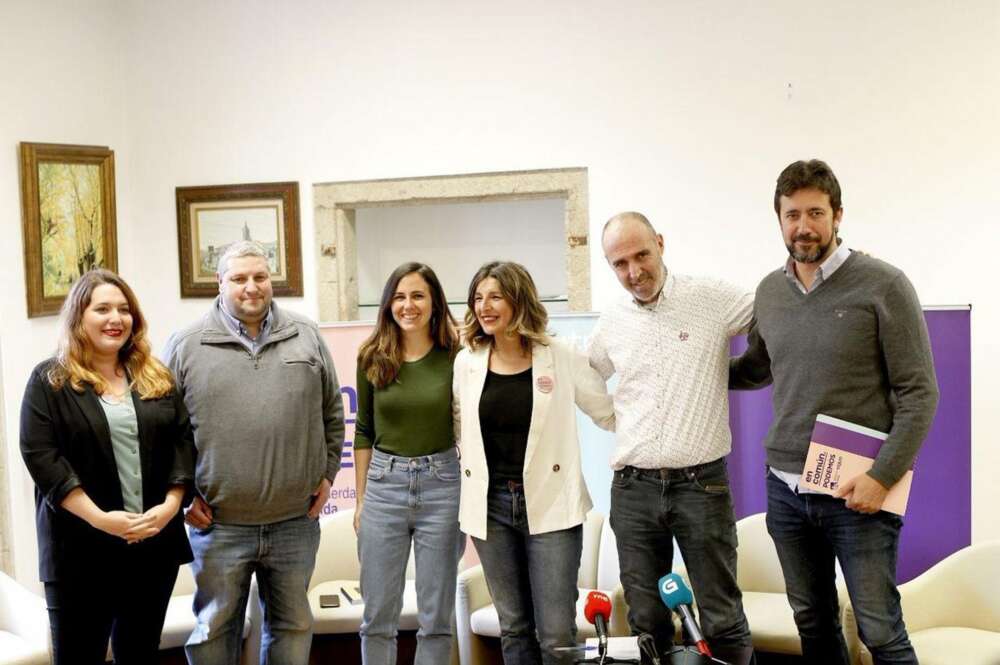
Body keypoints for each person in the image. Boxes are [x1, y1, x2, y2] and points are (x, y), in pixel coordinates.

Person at [730, 159, 939, 665]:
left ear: (838, 215)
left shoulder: (883, 284)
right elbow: (757, 368)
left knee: (880, 630)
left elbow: (920, 392)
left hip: (857, 492)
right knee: (814, 625)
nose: (804, 227)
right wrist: (688, 365)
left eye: (816, 213)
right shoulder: (769, 292)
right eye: (792, 214)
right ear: (778, 219)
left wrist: (882, 476)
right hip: (785, 488)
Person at [163, 240, 345, 665]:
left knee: (292, 628)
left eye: (260, 277)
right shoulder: (186, 345)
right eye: (239, 278)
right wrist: (183, 496)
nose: (251, 287)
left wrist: (329, 474)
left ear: (271, 280)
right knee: (214, 630)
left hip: (294, 524)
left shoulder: (306, 336)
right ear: (219, 282)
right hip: (219, 526)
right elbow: (162, 432)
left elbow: (332, 412)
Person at [588, 212, 756, 665]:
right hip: (632, 489)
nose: (634, 271)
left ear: (660, 243)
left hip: (702, 485)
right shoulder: (612, 321)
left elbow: (777, 312)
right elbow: (583, 374)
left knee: (721, 614)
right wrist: (612, 420)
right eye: (619, 263)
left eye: (641, 254)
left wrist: (735, 373)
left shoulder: (711, 297)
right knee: (645, 616)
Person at [20, 269, 194, 665]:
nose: (115, 319)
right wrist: (101, 519)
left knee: (140, 655)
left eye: (123, 309)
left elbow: (183, 443)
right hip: (78, 553)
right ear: (79, 317)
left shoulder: (155, 376)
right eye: (102, 309)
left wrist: (171, 505)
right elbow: (42, 457)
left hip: (152, 548)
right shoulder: (50, 381)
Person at [453, 260, 615, 665]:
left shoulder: (559, 355)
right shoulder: (466, 361)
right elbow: (459, 426)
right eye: (477, 297)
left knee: (557, 635)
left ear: (518, 299)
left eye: (495, 296)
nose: (484, 306)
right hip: (490, 509)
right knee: (514, 629)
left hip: (552, 505)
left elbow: (608, 413)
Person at [353, 262, 463, 664]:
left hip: (443, 486)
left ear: (434, 302)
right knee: (378, 616)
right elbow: (363, 430)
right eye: (399, 297)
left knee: (436, 617)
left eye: (417, 295)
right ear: (388, 304)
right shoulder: (372, 355)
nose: (408, 305)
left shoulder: (457, 355)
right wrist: (362, 500)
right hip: (385, 485)